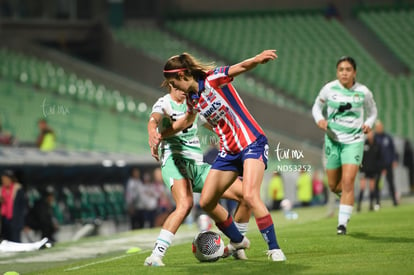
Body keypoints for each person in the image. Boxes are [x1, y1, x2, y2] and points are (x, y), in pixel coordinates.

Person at [151, 49, 286, 261]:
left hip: (252, 143)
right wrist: (162, 135)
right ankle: (238, 240)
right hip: (229, 152)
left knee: (249, 195)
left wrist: (257, 60)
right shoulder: (192, 99)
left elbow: (239, 67)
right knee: (206, 201)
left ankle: (275, 249)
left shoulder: (213, 78)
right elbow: (186, 121)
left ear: (181, 76)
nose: (173, 86)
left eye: (172, 81)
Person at [145, 84, 252, 266]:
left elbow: (218, 127)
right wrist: (152, 133)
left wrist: (235, 134)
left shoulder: (193, 107)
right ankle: (155, 255)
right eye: (179, 84)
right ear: (171, 84)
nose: (184, 88)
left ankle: (237, 244)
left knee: (246, 195)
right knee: (185, 204)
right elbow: (153, 120)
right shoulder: (164, 103)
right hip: (176, 162)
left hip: (198, 166)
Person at [312, 56, 377, 235]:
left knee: (348, 182)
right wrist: (320, 119)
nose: (344, 73)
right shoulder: (328, 89)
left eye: (348, 69)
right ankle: (346, 201)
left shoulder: (364, 92)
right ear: (337, 72)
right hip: (333, 141)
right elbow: (316, 107)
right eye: (341, 69)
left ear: (354, 72)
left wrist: (369, 124)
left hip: (354, 142)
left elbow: (373, 112)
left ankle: (342, 224)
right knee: (334, 185)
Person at [374, 120, 398, 207]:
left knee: (391, 183)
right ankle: (377, 202)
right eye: (378, 127)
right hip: (378, 165)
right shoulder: (374, 138)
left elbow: (393, 150)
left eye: (380, 127)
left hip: (388, 164)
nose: (379, 128)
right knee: (377, 184)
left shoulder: (387, 137)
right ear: (376, 128)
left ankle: (395, 201)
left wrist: (394, 160)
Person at [357, 130, 381, 211]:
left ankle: (371, 205)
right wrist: (360, 168)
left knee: (372, 188)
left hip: (373, 170)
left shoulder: (376, 145)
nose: (370, 135)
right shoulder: (363, 144)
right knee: (362, 187)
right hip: (364, 169)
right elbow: (360, 157)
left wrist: (378, 168)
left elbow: (379, 158)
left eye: (371, 133)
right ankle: (359, 205)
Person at [0, 170, 26, 242]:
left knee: (15, 240)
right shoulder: (1, 190)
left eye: (6, 179)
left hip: (15, 220)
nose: (4, 181)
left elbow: (23, 206)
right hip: (4, 220)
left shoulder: (18, 189)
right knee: (5, 241)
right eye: (3, 179)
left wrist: (23, 222)